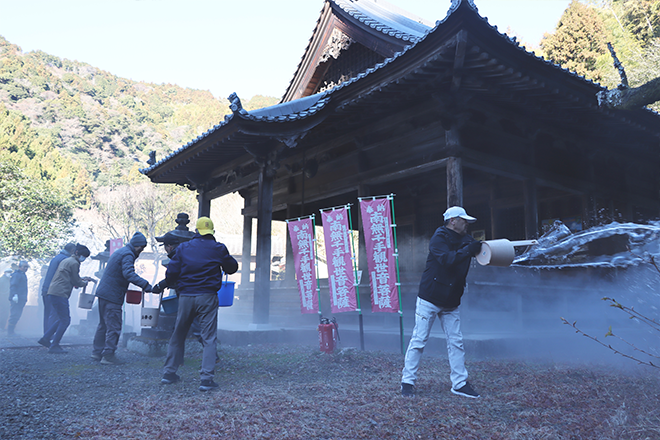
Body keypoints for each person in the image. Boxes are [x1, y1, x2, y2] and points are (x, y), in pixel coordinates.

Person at [401, 206, 483, 398]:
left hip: (451, 300)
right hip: (429, 298)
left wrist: (484, 248)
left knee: (456, 342)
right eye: (464, 220)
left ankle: (459, 383)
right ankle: (407, 381)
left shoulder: (466, 239)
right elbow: (447, 259)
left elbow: (478, 250)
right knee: (419, 340)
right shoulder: (439, 238)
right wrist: (468, 250)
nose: (467, 224)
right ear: (452, 220)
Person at [153, 217, 238, 391]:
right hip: (207, 297)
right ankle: (206, 379)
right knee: (208, 337)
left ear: (197, 231)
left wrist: (166, 283)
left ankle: (169, 373)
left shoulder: (183, 248)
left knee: (178, 334)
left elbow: (172, 272)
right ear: (211, 232)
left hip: (185, 296)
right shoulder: (218, 248)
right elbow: (232, 268)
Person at [92, 232, 152, 365]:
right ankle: (108, 355)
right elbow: (128, 273)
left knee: (103, 324)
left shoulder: (120, 251)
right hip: (112, 295)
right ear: (138, 246)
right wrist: (146, 285)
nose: (141, 251)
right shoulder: (128, 254)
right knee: (114, 325)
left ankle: (97, 352)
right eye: (141, 248)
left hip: (103, 293)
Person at [38, 244, 94, 353]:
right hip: (60, 293)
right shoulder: (74, 263)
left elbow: (69, 277)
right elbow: (75, 281)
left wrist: (81, 279)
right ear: (77, 253)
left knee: (60, 318)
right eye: (83, 256)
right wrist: (84, 283)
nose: (84, 259)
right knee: (65, 320)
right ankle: (54, 345)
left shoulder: (67, 260)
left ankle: (45, 338)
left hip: (53, 291)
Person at [41, 243, 76, 334]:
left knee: (48, 314)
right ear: (72, 251)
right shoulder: (65, 260)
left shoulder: (57, 257)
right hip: (54, 290)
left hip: (46, 289)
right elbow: (67, 276)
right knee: (55, 314)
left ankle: (46, 335)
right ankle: (49, 336)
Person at [7, 261, 29, 336]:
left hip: (21, 298)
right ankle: (10, 331)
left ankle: (11, 331)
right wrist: (14, 295)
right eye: (24, 267)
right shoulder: (17, 275)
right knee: (14, 314)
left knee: (17, 314)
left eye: (27, 267)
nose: (26, 268)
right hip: (16, 299)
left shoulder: (22, 275)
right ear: (19, 267)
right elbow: (13, 285)